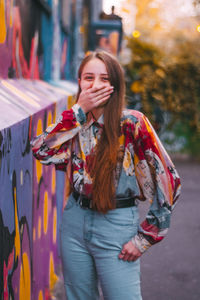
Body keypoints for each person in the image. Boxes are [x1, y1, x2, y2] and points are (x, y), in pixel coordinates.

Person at [31, 51, 181, 300]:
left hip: (116, 224)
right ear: (79, 82)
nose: (96, 85)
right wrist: (79, 110)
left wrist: (145, 237)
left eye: (104, 78)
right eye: (88, 77)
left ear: (115, 86)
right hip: (74, 222)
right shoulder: (74, 125)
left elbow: (170, 180)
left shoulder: (132, 123)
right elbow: (41, 150)